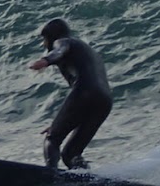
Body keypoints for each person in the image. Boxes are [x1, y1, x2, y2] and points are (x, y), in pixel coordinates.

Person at [28, 18, 112, 170]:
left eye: (45, 39)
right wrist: (60, 122)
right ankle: (88, 179)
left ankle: (50, 175)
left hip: (85, 91)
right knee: (71, 154)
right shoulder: (88, 51)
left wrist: (46, 60)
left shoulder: (63, 42)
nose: (44, 44)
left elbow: (60, 50)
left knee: (52, 139)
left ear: (52, 36)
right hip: (105, 101)